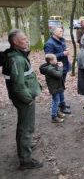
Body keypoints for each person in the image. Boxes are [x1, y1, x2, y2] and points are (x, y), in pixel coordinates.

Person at [2, 29, 43, 169]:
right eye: (24, 38)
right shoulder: (17, 59)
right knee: (26, 128)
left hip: (24, 98)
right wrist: (28, 99)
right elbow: (18, 85)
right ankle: (26, 160)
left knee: (23, 126)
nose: (27, 40)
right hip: (24, 99)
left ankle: (25, 145)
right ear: (15, 42)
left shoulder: (16, 55)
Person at [44, 27, 71, 114]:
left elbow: (63, 52)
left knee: (61, 87)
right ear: (54, 32)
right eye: (60, 31)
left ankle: (61, 103)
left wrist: (65, 51)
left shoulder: (62, 40)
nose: (62, 32)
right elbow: (48, 57)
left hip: (64, 67)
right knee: (59, 88)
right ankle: (61, 106)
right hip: (56, 69)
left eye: (62, 30)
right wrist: (63, 53)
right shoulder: (49, 43)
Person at [39, 54, 66, 123]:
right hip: (54, 88)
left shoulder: (52, 66)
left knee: (57, 101)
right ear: (50, 61)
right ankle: (54, 116)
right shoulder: (50, 69)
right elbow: (59, 75)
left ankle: (57, 113)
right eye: (55, 59)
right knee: (55, 102)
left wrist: (56, 64)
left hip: (57, 87)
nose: (57, 60)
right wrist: (60, 67)